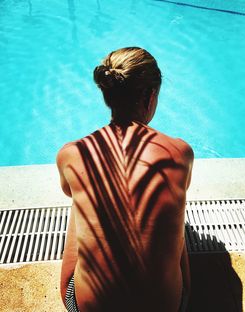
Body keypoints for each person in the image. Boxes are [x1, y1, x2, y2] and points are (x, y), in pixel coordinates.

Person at [57, 47, 194, 312]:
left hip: (88, 306)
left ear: (106, 93)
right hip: (170, 306)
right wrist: (186, 288)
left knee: (80, 199)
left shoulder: (72, 154)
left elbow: (71, 199)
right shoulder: (179, 153)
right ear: (150, 95)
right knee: (173, 207)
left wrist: (67, 287)